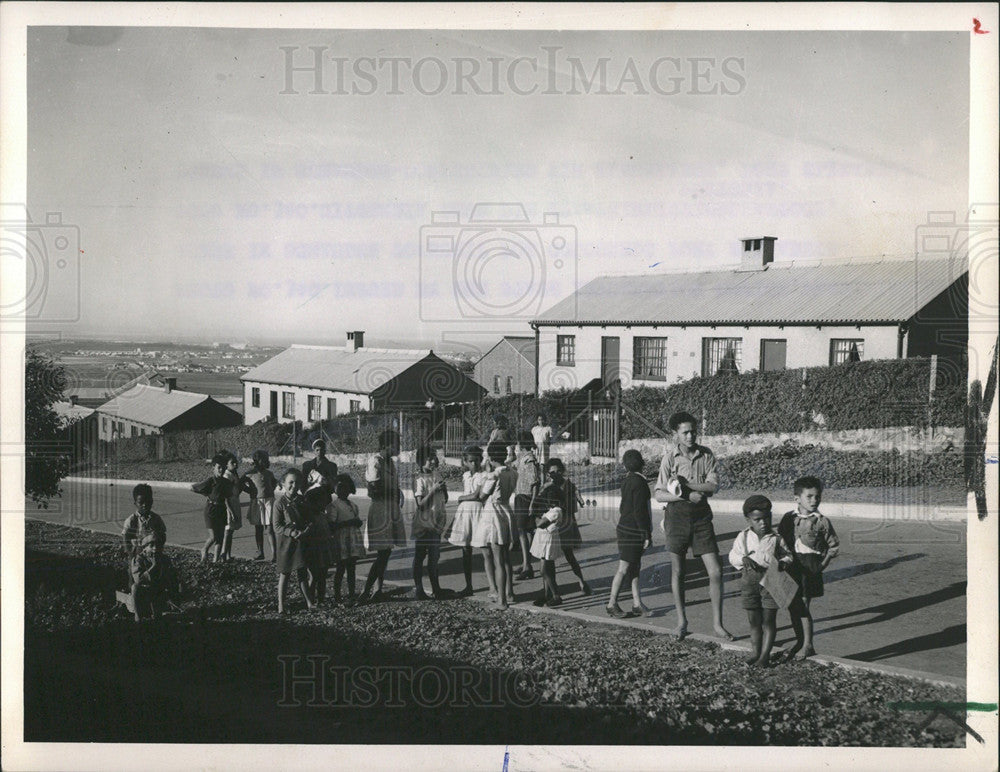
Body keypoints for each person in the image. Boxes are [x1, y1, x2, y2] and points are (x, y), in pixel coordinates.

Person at [654, 410, 733, 641]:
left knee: (716, 571)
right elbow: (659, 495)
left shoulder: (706, 455)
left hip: (701, 518)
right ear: (676, 435)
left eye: (693, 431)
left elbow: (713, 486)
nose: (690, 436)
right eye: (685, 432)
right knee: (678, 572)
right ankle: (681, 622)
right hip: (676, 517)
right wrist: (686, 496)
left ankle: (718, 624)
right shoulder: (670, 459)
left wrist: (686, 485)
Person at [778, 476, 840, 660]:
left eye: (817, 496)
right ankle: (800, 640)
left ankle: (808, 645)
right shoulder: (788, 518)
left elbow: (834, 546)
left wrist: (822, 565)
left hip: (809, 569)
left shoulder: (822, 522)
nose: (814, 500)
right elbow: (780, 542)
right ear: (797, 498)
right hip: (791, 568)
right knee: (793, 606)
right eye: (809, 496)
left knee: (803, 607)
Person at [729, 495, 794, 667]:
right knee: (754, 621)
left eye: (767, 518)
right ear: (748, 520)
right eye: (758, 519)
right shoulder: (742, 537)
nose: (763, 523)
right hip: (749, 583)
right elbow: (732, 556)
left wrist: (784, 562)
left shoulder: (776, 538)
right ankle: (755, 652)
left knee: (768, 620)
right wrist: (743, 559)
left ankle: (765, 656)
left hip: (771, 581)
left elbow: (788, 555)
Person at [361, 429, 407, 603]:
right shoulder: (375, 461)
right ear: (387, 445)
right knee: (383, 552)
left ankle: (377, 590)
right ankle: (366, 592)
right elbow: (373, 490)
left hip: (390, 509)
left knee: (386, 552)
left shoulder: (390, 463)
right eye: (396, 445)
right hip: (381, 510)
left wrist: (396, 493)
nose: (399, 448)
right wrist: (392, 492)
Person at [607, 450, 652, 619]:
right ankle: (611, 603)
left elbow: (623, 507)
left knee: (634, 567)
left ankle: (637, 603)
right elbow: (640, 511)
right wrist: (646, 534)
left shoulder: (626, 481)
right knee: (625, 567)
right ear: (642, 463)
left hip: (625, 527)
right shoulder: (641, 483)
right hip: (633, 530)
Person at [539, 458, 592, 596]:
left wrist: (579, 499)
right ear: (548, 473)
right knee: (547, 558)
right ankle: (549, 591)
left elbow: (576, 494)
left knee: (569, 556)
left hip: (566, 522)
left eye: (558, 471)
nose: (556, 474)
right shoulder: (546, 486)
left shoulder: (568, 484)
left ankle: (581, 581)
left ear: (562, 471)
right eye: (552, 472)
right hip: (552, 523)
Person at [122, 483, 170, 622]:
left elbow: (162, 535)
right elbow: (126, 538)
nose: (144, 505)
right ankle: (137, 608)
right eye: (141, 503)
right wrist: (131, 553)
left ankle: (161, 605)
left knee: (162, 575)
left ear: (152, 502)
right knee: (134, 579)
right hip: (138, 554)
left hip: (154, 552)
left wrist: (158, 545)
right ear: (135, 503)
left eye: (147, 502)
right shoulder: (132, 520)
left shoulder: (155, 519)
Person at [477, 441, 516, 608]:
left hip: (493, 514)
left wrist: (486, 474)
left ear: (491, 458)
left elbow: (482, 497)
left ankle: (502, 600)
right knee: (506, 558)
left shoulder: (494, 476)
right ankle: (510, 592)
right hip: (506, 511)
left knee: (498, 559)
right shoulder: (513, 473)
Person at [450, 445, 491, 599]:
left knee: (485, 549)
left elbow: (477, 495)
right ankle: (469, 586)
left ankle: (493, 586)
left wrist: (461, 498)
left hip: (478, 512)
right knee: (465, 550)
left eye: (477, 461)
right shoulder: (466, 475)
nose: (474, 464)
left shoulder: (483, 475)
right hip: (465, 514)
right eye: (471, 461)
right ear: (465, 462)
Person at [273, 469, 315, 614]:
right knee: (285, 574)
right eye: (290, 482)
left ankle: (310, 602)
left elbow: (310, 519)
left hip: (301, 541)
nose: (294, 486)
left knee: (302, 573)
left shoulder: (303, 501)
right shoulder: (279, 503)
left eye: (297, 483)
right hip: (286, 543)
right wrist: (291, 532)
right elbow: (277, 526)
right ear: (283, 484)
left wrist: (307, 530)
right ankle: (281, 606)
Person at [411, 445, 450, 600]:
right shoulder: (419, 479)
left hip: (436, 521)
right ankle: (419, 589)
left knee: (434, 556)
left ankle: (436, 588)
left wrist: (443, 490)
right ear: (421, 461)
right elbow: (421, 504)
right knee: (420, 555)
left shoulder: (437, 475)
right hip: (424, 523)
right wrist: (434, 489)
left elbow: (445, 499)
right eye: (429, 459)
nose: (433, 461)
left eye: (434, 458)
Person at [192, 453, 234, 564]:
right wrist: (206, 494)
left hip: (221, 510)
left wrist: (231, 511)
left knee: (220, 537)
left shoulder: (226, 482)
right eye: (219, 467)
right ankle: (204, 549)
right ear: (213, 468)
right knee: (213, 536)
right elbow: (193, 488)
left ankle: (215, 561)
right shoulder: (211, 481)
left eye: (224, 467)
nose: (221, 470)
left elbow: (227, 498)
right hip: (210, 510)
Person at [330, 473, 365, 605]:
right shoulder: (334, 506)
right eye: (339, 487)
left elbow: (356, 520)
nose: (342, 490)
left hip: (353, 540)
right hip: (342, 541)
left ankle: (351, 593)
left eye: (345, 487)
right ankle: (337, 595)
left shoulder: (353, 505)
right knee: (340, 568)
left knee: (352, 568)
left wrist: (357, 523)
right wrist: (349, 523)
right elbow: (332, 525)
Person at [303, 469, 336, 604]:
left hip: (323, 548)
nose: (323, 503)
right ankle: (310, 600)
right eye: (320, 501)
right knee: (314, 575)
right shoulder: (311, 519)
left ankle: (320, 599)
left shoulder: (323, 516)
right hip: (314, 549)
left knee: (322, 575)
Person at [511, 430, 540, 580]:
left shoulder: (529, 459)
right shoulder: (522, 458)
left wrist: (532, 504)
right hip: (520, 496)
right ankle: (525, 563)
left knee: (525, 532)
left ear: (521, 444)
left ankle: (528, 566)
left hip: (526, 498)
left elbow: (535, 483)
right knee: (523, 532)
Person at [243, 449, 278, 562]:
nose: (264, 462)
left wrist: (270, 491)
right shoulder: (250, 473)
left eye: (266, 460)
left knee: (270, 528)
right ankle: (260, 552)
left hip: (269, 501)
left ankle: (274, 554)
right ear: (257, 461)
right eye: (262, 460)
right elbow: (240, 483)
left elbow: (274, 482)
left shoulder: (269, 473)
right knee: (258, 528)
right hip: (256, 502)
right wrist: (251, 491)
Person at [529, 495, 564, 607]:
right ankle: (547, 594)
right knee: (549, 568)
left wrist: (535, 516)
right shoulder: (552, 511)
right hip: (545, 540)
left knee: (544, 571)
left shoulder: (555, 511)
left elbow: (540, 524)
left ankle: (556, 595)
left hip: (547, 542)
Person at [220, 451, 243, 562]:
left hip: (235, 502)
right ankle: (224, 554)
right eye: (232, 462)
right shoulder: (227, 476)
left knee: (231, 531)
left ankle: (228, 554)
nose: (235, 464)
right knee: (227, 531)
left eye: (236, 462)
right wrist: (231, 511)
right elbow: (225, 496)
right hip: (229, 505)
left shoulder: (233, 474)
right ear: (227, 464)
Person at [531, 414, 553, 478]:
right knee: (535, 467)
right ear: (537, 420)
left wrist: (545, 446)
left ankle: (543, 484)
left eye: (542, 419)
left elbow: (550, 440)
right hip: (536, 449)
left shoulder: (548, 428)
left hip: (544, 450)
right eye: (539, 420)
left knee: (543, 468)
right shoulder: (534, 429)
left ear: (545, 420)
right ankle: (537, 484)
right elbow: (532, 439)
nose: (541, 421)